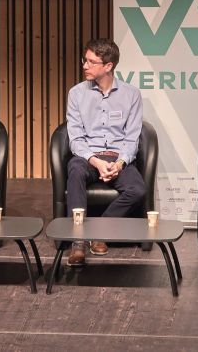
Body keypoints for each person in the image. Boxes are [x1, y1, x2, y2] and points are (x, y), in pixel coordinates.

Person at [65, 38, 146, 267]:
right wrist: (96, 162)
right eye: (85, 60)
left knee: (138, 190)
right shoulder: (76, 94)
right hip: (88, 156)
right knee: (75, 171)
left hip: (118, 157)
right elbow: (76, 138)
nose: (85, 66)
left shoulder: (131, 94)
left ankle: (99, 231)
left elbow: (132, 138)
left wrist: (119, 164)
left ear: (108, 66)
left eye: (91, 62)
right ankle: (78, 241)